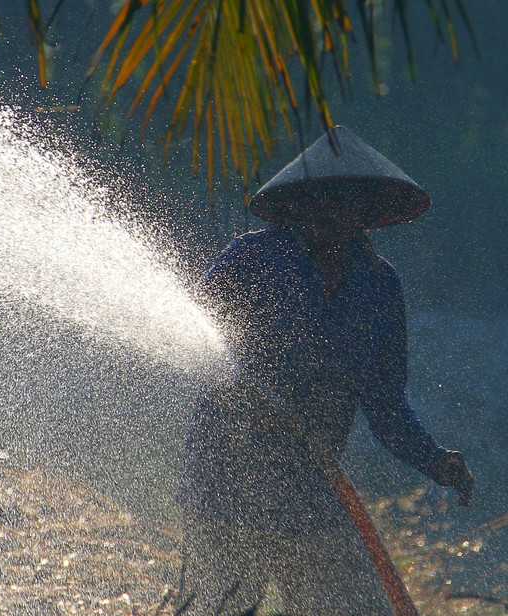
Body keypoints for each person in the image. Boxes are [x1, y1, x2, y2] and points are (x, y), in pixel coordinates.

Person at [176, 126, 474, 615]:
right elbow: (197, 343)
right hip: (225, 484)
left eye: (344, 200)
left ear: (367, 211)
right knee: (219, 608)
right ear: (296, 205)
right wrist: (239, 386)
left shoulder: (380, 287)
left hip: (311, 491)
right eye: (317, 198)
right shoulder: (252, 259)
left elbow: (385, 404)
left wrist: (434, 459)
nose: (329, 210)